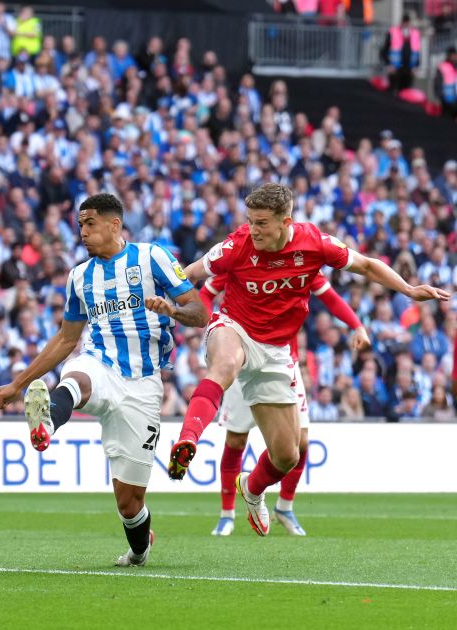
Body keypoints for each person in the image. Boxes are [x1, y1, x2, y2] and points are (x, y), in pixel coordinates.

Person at [168, 183, 449, 537]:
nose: (253, 230)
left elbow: (365, 265)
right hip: (235, 326)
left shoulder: (314, 243)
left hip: (277, 350)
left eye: (262, 223)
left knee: (287, 455)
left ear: (285, 221)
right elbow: (189, 274)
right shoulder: (235, 246)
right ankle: (188, 439)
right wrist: (161, 302)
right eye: (250, 221)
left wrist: (408, 290)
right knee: (224, 365)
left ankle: (253, 489)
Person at [0, 193, 208, 567]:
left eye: (90, 224)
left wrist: (172, 309)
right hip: (100, 362)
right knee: (76, 375)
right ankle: (47, 423)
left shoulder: (151, 257)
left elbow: (200, 312)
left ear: (114, 224)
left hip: (143, 383)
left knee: (129, 502)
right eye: (80, 225)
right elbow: (66, 339)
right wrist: (18, 384)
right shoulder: (79, 276)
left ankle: (140, 547)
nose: (83, 232)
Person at [200, 271, 371, 537]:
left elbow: (332, 298)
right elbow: (205, 293)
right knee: (236, 440)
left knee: (300, 443)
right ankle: (226, 514)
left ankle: (285, 507)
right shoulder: (240, 259)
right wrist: (216, 335)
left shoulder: (301, 261)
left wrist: (356, 325)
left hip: (283, 362)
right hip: (242, 362)